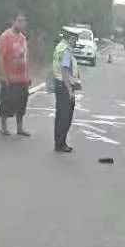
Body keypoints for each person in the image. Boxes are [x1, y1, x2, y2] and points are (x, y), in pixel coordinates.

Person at [0, 13, 31, 137]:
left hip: (22, 77)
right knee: (6, 102)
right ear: (14, 21)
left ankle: (20, 127)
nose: (21, 24)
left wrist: (28, 75)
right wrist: (3, 75)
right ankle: (3, 127)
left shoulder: (23, 38)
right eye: (19, 21)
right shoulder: (5, 37)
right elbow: (1, 57)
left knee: (22, 102)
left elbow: (26, 57)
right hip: (10, 76)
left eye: (23, 21)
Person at [52, 26, 81, 154]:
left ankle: (59, 142)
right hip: (64, 85)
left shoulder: (60, 46)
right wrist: (70, 90)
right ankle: (61, 143)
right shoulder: (66, 50)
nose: (76, 41)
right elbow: (64, 70)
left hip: (59, 84)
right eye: (75, 38)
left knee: (60, 115)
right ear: (70, 38)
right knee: (65, 116)